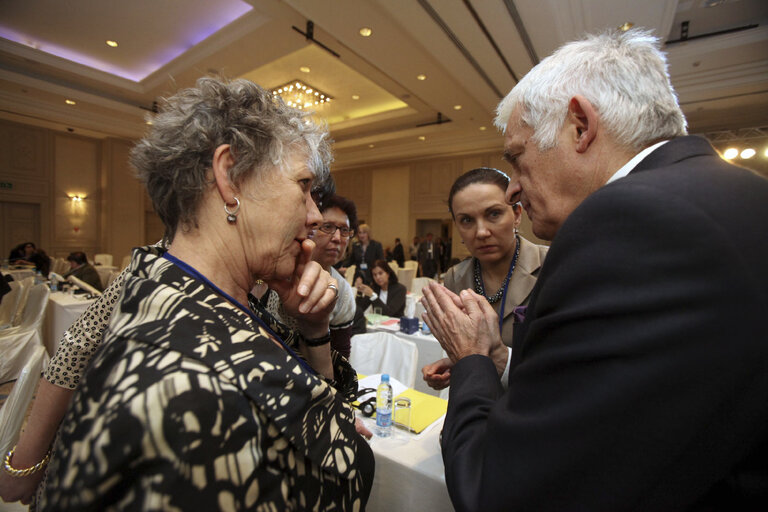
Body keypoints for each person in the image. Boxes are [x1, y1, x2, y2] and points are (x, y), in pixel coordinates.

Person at [420, 29, 768, 511]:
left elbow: (499, 492)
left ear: (580, 126)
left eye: (517, 160)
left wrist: (472, 361)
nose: (514, 189)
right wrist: (503, 361)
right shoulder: (738, 191)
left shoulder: (625, 219)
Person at [33, 77, 373, 510]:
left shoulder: (216, 298)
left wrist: (314, 328)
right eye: (303, 186)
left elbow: (323, 422)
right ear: (229, 177)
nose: (313, 215)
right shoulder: (184, 390)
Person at [421, 167, 548, 391]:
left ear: (517, 214)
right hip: (475, 407)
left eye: (493, 214)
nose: (481, 232)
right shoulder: (455, 278)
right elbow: (469, 351)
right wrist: (456, 365)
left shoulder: (551, 265)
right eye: (467, 220)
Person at [268, 193, 359, 359]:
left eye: (344, 230)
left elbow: (340, 359)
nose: (337, 238)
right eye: (328, 227)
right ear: (309, 227)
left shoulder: (343, 293)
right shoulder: (276, 273)